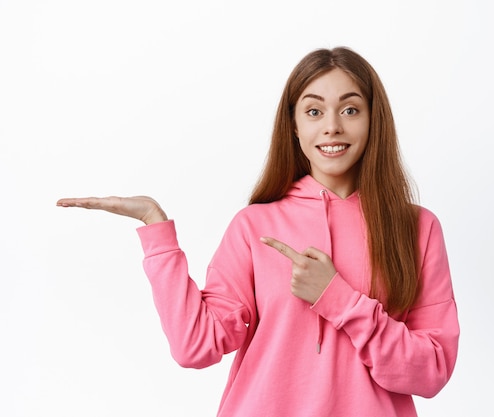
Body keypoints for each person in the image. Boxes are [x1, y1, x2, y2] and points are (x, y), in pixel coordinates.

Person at [57, 46, 459, 417]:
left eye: (350, 110)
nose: (332, 127)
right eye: (314, 112)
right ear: (295, 126)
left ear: (373, 121)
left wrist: (337, 298)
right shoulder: (255, 226)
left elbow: (431, 372)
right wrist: (156, 228)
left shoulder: (417, 229)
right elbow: (195, 346)